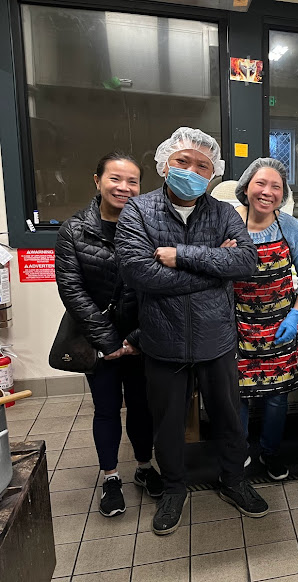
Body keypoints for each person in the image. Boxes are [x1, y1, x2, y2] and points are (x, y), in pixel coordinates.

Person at [115, 127, 267, 536]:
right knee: (166, 422)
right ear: (165, 164)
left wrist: (182, 256)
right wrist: (212, 270)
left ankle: (234, 480)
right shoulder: (139, 212)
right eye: (183, 161)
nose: (192, 171)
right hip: (162, 340)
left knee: (229, 418)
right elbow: (138, 271)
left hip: (215, 337)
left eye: (202, 166)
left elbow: (245, 263)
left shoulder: (222, 213)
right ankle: (174, 488)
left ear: (213, 174)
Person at [55, 152, 162, 517]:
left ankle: (145, 468)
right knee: (106, 409)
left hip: (140, 338)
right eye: (116, 178)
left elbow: (156, 287)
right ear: (97, 180)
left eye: (133, 181)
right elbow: (72, 290)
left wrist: (134, 339)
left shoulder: (148, 228)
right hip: (97, 340)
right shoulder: (73, 230)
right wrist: (110, 343)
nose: (124, 187)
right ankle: (110, 476)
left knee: (141, 406)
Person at [232, 158, 298, 480]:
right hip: (236, 328)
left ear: (283, 195)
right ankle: (238, 452)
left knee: (276, 397)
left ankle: (270, 452)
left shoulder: (289, 227)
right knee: (236, 395)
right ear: (246, 187)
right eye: (260, 184)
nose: (267, 192)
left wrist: (295, 313)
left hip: (279, 328)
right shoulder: (228, 225)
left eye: (276, 187)